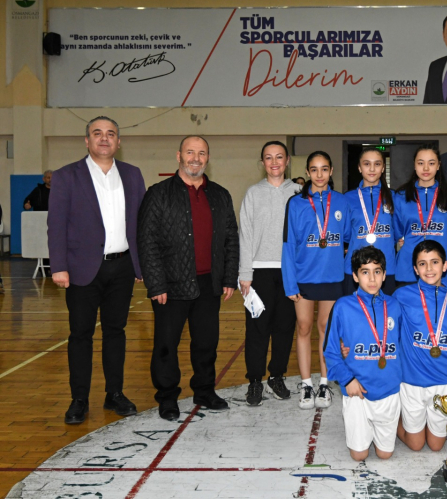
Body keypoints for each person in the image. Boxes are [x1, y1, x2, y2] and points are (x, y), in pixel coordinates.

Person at [48, 116, 146, 425]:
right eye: (97, 133)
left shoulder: (132, 174)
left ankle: (114, 393)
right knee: (81, 335)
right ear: (87, 140)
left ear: (119, 142)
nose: (104, 138)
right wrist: (59, 266)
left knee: (116, 332)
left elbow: (141, 223)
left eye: (111, 134)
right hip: (81, 269)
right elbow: (56, 224)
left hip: (122, 267)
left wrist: (141, 264)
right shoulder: (66, 176)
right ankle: (79, 399)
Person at [137, 135, 239, 421]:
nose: (196, 158)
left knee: (206, 343)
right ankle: (167, 397)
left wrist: (229, 277)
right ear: (179, 156)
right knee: (166, 345)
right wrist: (156, 283)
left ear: (208, 158)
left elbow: (231, 238)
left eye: (201, 153)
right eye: (190, 152)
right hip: (170, 285)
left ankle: (204, 391)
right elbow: (147, 241)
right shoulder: (158, 194)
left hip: (209, 284)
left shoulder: (220, 194)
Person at [282, 151, 350, 410]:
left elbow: (348, 238)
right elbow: (288, 244)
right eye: (314, 169)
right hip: (304, 277)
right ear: (307, 172)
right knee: (303, 327)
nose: (319, 174)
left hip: (332, 278)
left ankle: (323, 382)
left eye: (324, 169)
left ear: (331, 171)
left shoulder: (341, 201)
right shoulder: (295, 203)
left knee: (326, 329)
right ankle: (305, 384)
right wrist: (290, 283)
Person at [323, 246, 403, 461]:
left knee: (385, 454)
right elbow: (330, 350)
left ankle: (398, 422)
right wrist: (347, 380)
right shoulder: (342, 306)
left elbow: (404, 345)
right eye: (365, 272)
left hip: (388, 389)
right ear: (356, 276)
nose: (372, 278)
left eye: (377, 271)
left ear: (384, 275)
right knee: (359, 455)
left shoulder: (394, 305)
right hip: (357, 390)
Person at [239, 141, 301, 407]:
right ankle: (254, 380)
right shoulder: (253, 193)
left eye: (279, 157)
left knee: (284, 328)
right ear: (262, 162)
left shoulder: (299, 193)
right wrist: (245, 272)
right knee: (257, 330)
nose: (274, 162)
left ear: (287, 161)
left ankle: (277, 376)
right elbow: (245, 234)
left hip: (290, 273)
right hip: (259, 273)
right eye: (268, 157)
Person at [392, 240, 447, 452]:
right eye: (422, 264)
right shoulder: (402, 296)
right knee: (416, 445)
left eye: (434, 262)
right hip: (412, 380)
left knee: (435, 446)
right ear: (415, 269)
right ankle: (391, 420)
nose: (429, 269)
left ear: (445, 265)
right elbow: (389, 329)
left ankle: (422, 423)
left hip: (444, 380)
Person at [393, 144, 447, 286]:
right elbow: (396, 230)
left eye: (431, 163)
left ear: (438, 165)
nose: (426, 168)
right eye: (421, 163)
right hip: (408, 267)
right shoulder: (401, 196)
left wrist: (446, 247)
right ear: (414, 165)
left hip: (441, 268)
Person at [344, 148, 397, 295]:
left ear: (383, 168)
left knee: (385, 309)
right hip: (355, 268)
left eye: (377, 164)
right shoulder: (347, 198)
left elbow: (398, 231)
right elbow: (346, 234)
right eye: (367, 164)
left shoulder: (394, 197)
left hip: (387, 268)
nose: (372, 169)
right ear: (359, 168)